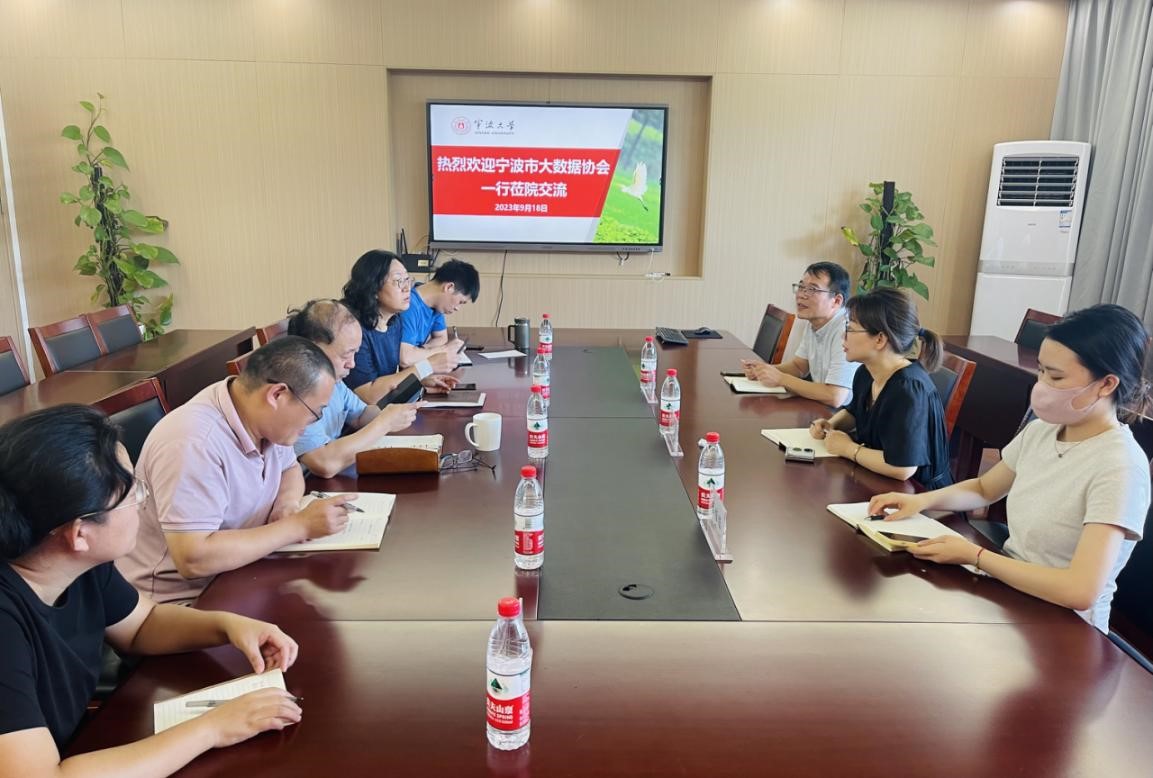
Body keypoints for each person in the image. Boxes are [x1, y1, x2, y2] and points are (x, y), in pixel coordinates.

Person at [0, 406, 302, 775]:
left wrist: (228, 627)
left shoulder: (75, 563)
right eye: (133, 492)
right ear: (80, 533)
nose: (143, 501)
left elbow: (142, 625)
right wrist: (213, 728)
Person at [868, 304, 1151, 631]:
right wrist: (921, 501)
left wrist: (975, 556)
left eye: (1056, 377)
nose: (1041, 385)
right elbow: (984, 488)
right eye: (1041, 371)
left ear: (1106, 384)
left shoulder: (1120, 466)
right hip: (1012, 594)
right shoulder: (1043, 430)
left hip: (1065, 627)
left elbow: (1079, 590)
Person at [118, 337, 355, 604]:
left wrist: (286, 505)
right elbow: (194, 559)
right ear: (277, 394)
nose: (313, 423)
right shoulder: (194, 442)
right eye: (315, 412)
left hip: (242, 571)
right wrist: (298, 526)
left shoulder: (258, 414)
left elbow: (289, 469)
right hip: (180, 601)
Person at [810, 286, 952, 489]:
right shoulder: (866, 372)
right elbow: (855, 412)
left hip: (921, 495)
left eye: (850, 329)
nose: (843, 336)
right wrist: (830, 425)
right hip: (879, 482)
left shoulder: (908, 389)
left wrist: (848, 449)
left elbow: (902, 469)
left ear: (880, 339)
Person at [288, 299, 423, 478]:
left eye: (355, 353)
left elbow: (360, 415)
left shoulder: (334, 381)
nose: (352, 364)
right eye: (346, 355)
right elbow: (325, 463)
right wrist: (385, 423)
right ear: (313, 349)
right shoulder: (295, 390)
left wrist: (395, 413)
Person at [341, 250, 460, 405]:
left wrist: (418, 383)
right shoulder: (353, 329)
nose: (407, 288)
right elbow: (368, 395)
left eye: (407, 280)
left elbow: (385, 380)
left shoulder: (394, 322)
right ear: (373, 288)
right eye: (398, 281)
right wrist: (427, 366)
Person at [742, 261, 859, 406]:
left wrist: (781, 378)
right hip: (820, 406)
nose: (801, 295)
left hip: (845, 414)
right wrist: (764, 371)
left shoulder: (848, 330)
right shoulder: (814, 321)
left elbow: (835, 396)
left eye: (812, 289)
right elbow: (799, 366)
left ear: (836, 301)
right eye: (801, 287)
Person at [398, 258, 479, 368]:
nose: (458, 308)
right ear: (449, 287)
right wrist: (445, 349)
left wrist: (420, 351)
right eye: (461, 302)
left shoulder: (436, 305)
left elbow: (441, 338)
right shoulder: (409, 305)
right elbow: (406, 359)